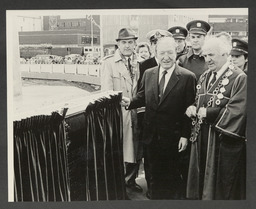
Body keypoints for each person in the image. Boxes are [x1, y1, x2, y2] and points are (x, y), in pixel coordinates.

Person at [121, 36, 196, 199]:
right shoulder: (148, 73)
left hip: (174, 138)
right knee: (153, 176)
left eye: (170, 52)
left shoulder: (187, 77)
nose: (166, 57)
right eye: (162, 53)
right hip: (151, 136)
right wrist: (129, 102)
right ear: (156, 53)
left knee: (171, 178)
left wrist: (184, 135)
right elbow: (142, 96)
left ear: (176, 52)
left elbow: (189, 110)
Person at [186, 37, 247, 200]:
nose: (208, 59)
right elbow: (200, 100)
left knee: (219, 188)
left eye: (211, 55)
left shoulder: (239, 77)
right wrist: (193, 107)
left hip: (220, 140)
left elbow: (238, 111)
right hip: (202, 138)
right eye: (206, 56)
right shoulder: (205, 76)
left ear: (225, 54)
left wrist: (210, 113)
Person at [101, 28, 143, 196]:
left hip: (137, 112)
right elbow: (107, 93)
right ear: (118, 44)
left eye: (130, 42)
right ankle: (119, 185)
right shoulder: (109, 63)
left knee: (136, 148)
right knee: (120, 150)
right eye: (124, 42)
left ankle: (130, 181)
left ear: (135, 44)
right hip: (119, 114)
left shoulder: (139, 62)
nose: (127, 46)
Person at [137, 29, 172, 199]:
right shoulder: (146, 66)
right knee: (150, 160)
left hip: (170, 125)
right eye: (155, 44)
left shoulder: (177, 66)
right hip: (150, 119)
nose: (165, 55)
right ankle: (152, 189)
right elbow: (141, 93)